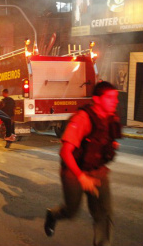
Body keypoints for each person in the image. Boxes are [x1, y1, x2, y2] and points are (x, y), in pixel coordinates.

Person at [44, 81, 122, 246]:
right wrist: (81, 177)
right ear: (97, 99)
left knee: (103, 214)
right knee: (71, 212)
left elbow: (104, 141)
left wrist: (109, 145)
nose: (115, 101)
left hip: (97, 171)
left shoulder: (110, 118)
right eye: (110, 98)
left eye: (116, 98)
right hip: (74, 172)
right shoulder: (83, 118)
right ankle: (53, 215)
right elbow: (65, 152)